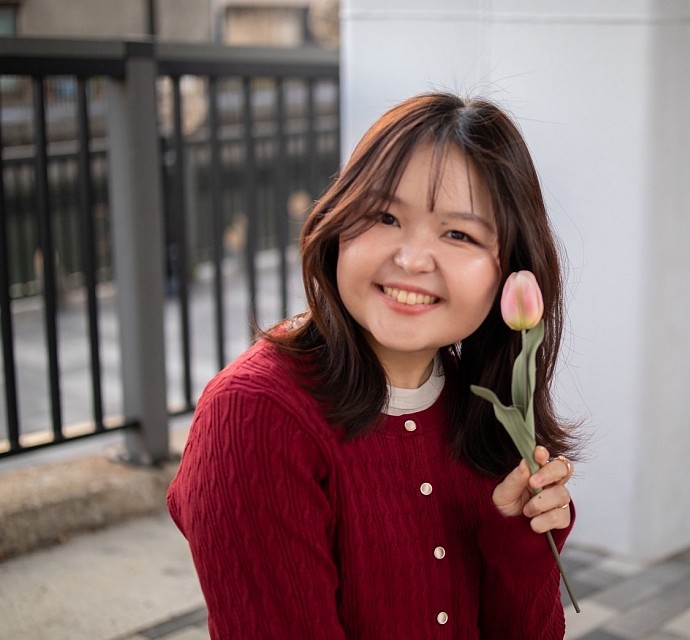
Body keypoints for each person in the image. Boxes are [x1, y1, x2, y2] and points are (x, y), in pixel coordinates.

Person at [167, 92, 579, 639]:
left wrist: (518, 541)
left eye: (459, 234)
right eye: (385, 216)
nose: (411, 260)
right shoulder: (254, 415)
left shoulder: (489, 413)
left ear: (510, 270)